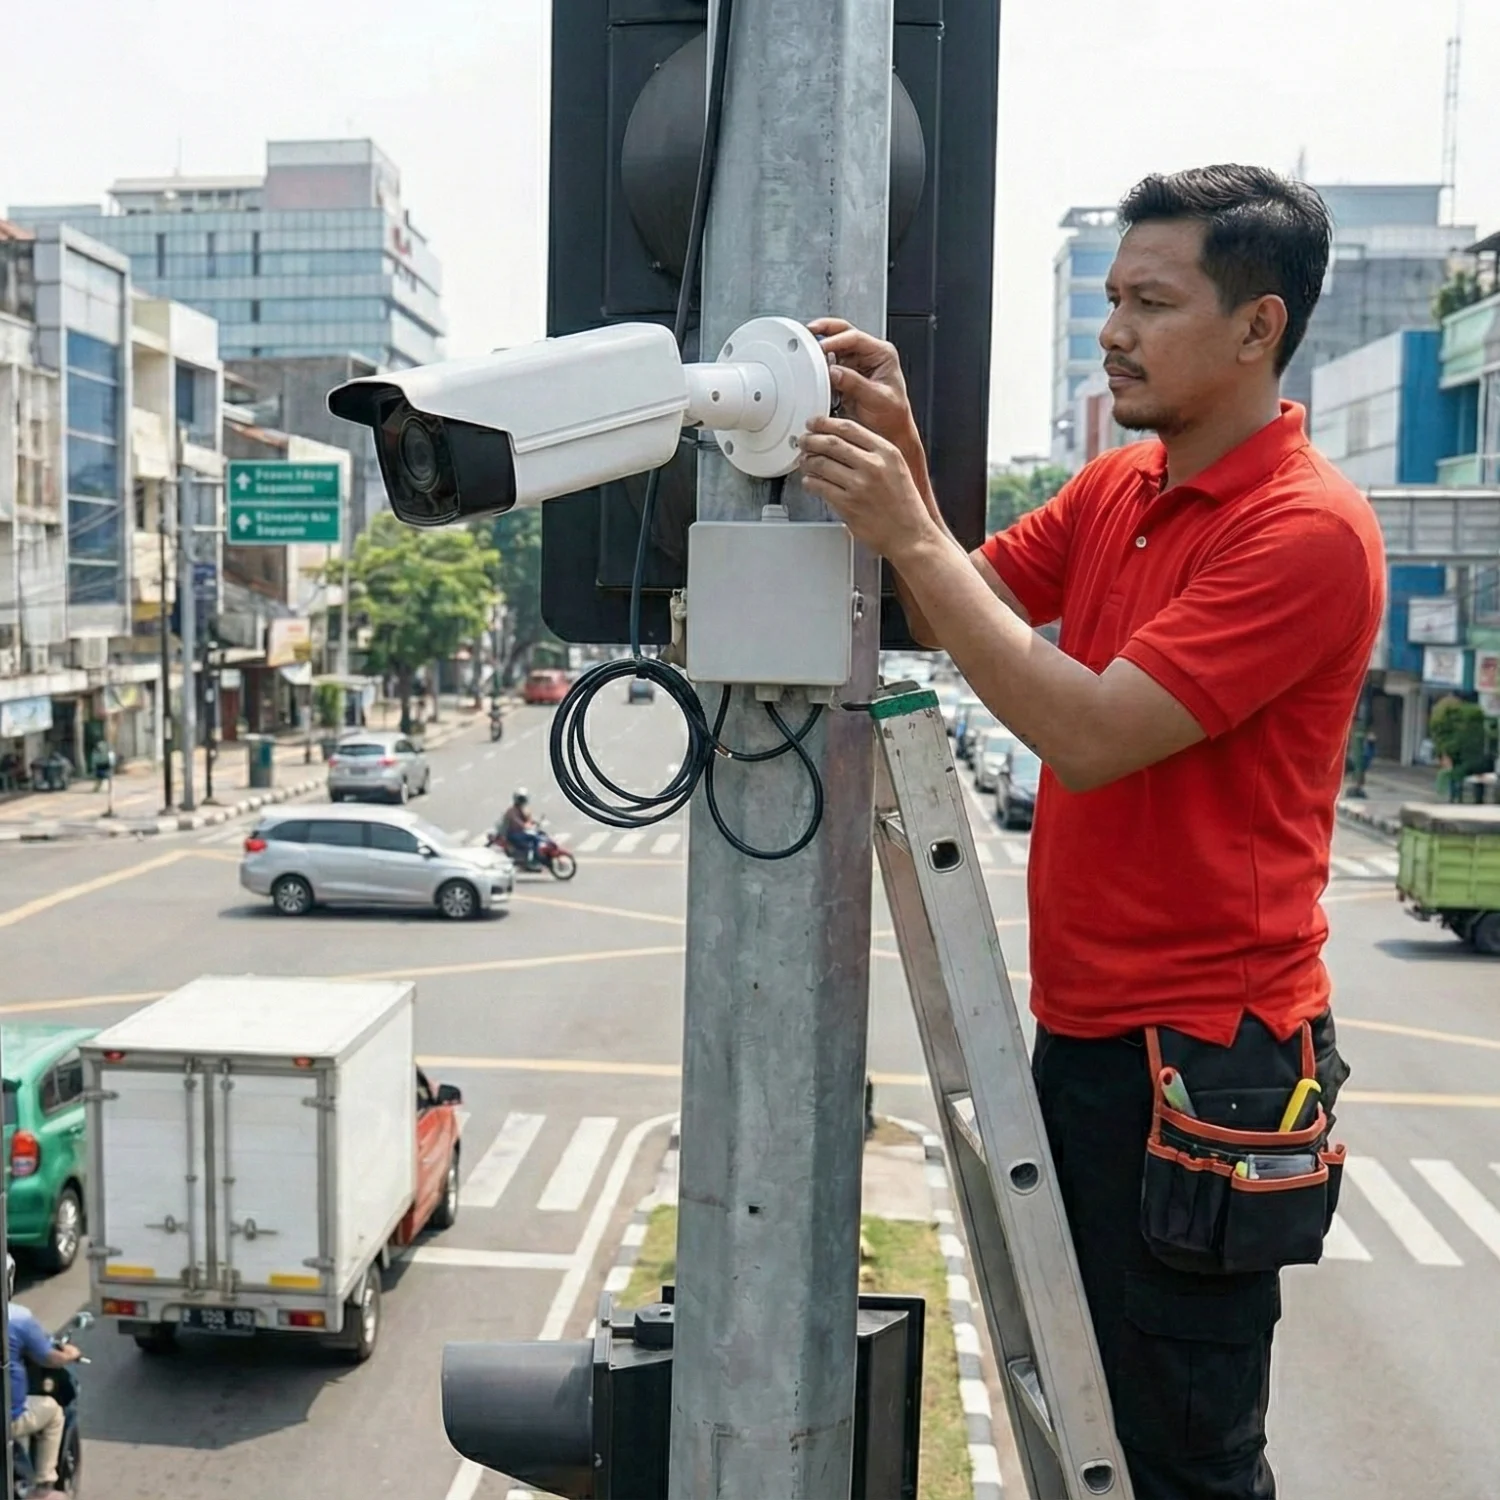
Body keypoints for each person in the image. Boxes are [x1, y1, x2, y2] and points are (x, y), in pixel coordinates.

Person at [798, 165, 1385, 1498]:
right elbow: (970, 600)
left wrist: (905, 519)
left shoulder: (1306, 533)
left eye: (1152, 301)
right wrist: (907, 471)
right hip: (1092, 1036)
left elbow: (1088, 731)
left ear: (1259, 328)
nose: (1115, 328)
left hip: (1210, 1068)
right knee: (1082, 1425)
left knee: (1180, 1460)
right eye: (1113, 297)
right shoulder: (1126, 488)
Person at [8, 1257, 81, 1498]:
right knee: (52, 1411)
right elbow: (49, 1357)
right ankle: (44, 1486)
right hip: (9, 1420)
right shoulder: (18, 1317)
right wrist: (70, 1354)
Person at [499, 789, 543, 866]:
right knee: (534, 839)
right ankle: (532, 861)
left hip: (519, 832)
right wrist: (525, 826)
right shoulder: (512, 811)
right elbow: (517, 821)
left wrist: (535, 821)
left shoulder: (520, 809)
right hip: (513, 834)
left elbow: (527, 819)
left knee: (539, 835)